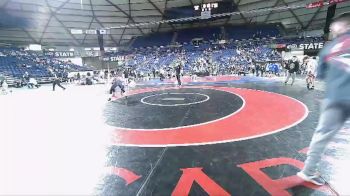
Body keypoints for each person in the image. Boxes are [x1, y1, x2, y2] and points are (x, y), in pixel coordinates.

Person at [297, 12, 350, 186]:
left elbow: (321, 75)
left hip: (334, 97)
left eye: (334, 26)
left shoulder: (328, 48)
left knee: (321, 136)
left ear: (344, 26)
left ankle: (308, 171)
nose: (331, 29)